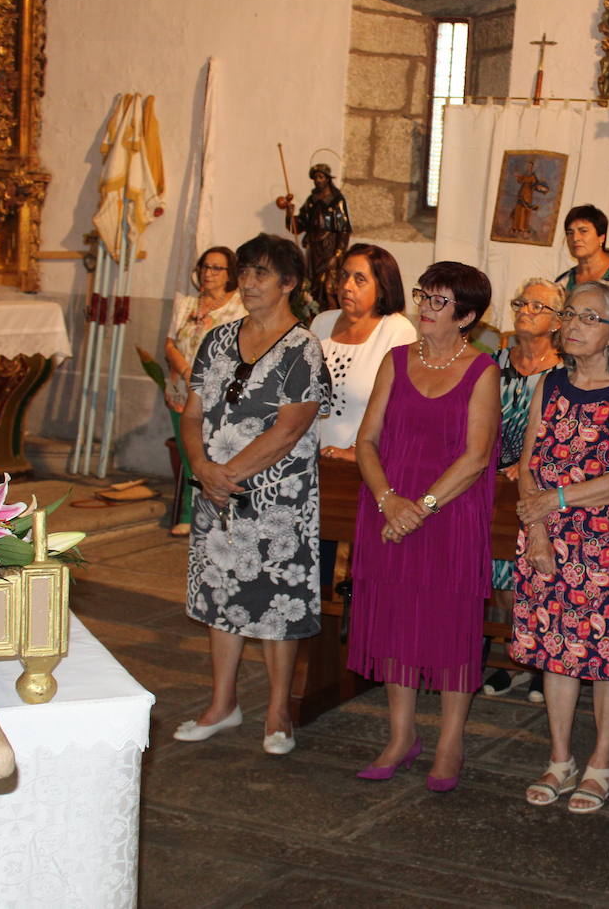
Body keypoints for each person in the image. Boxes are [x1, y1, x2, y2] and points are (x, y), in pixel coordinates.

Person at [174, 233, 331, 757]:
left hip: (275, 497)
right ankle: (223, 704)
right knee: (221, 593)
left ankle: (278, 709)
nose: (249, 281)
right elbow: (192, 413)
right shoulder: (217, 339)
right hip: (216, 488)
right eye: (246, 271)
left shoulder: (302, 348)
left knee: (275, 602)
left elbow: (289, 429)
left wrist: (226, 474)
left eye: (262, 273)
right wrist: (201, 466)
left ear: (289, 282)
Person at [347, 261, 501, 793]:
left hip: (450, 512)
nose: (425, 308)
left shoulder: (483, 370)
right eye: (423, 296)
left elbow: (477, 457)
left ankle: (449, 741)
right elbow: (367, 440)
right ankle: (399, 736)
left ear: (468, 316)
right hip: (390, 509)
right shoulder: (395, 360)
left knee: (449, 625)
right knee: (395, 620)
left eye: (438, 302)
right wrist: (390, 501)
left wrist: (422, 506)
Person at [510, 282, 609, 814]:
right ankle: (558, 758)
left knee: (604, 655)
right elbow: (529, 463)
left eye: (588, 318)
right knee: (556, 647)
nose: (572, 324)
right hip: (547, 533)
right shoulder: (549, 384)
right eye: (569, 314)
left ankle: (599, 761)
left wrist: (556, 501)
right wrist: (541, 529)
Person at [480, 278, 566, 702]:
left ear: (556, 321)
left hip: (538, 482)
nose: (525, 310)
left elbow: (564, 432)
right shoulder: (491, 363)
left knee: (530, 576)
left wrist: (526, 464)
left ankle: (535, 664)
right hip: (489, 479)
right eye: (520, 302)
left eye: (537, 305)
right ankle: (500, 656)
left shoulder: (564, 372)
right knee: (495, 574)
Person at [163, 246, 246, 536]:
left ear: (229, 274)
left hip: (218, 394)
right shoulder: (186, 304)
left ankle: (217, 512)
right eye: (204, 267)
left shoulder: (238, 306)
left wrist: (202, 379)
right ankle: (188, 512)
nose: (208, 273)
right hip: (182, 391)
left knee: (215, 454)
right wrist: (188, 373)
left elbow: (238, 350)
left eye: (216, 268)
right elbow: (170, 344)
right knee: (189, 454)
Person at [309, 244, 416, 464]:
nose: (347, 286)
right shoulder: (322, 322)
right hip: (312, 456)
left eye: (360, 279)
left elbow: (399, 408)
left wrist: (357, 450)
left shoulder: (397, 330)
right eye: (344, 276)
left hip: (364, 462)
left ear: (383, 287)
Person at [283, 162, 352, 315]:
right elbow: (298, 226)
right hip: (314, 249)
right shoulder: (311, 200)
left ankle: (328, 316)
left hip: (329, 248)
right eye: (315, 177)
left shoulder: (337, 200)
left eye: (321, 177)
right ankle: (311, 316)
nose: (318, 180)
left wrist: (338, 254)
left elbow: (344, 230)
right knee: (311, 285)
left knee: (327, 287)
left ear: (327, 179)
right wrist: (289, 213)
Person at [554, 204, 609, 298]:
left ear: (601, 237)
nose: (575, 238)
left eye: (583, 231)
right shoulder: (563, 282)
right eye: (570, 233)